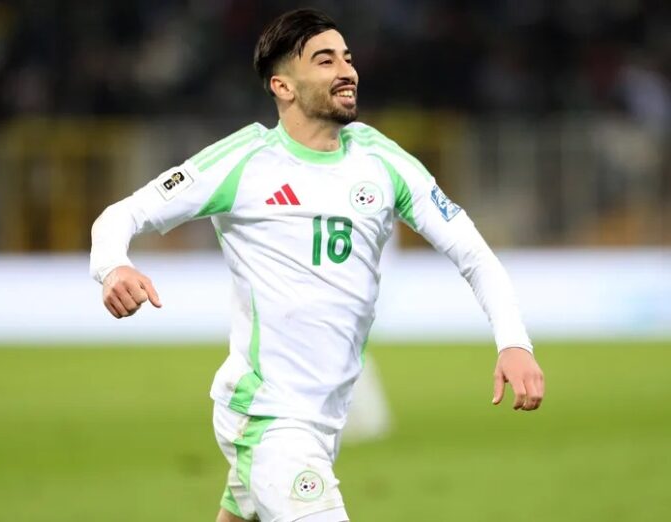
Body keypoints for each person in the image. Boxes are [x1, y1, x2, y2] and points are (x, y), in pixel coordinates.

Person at [89, 8, 544, 522]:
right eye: (325, 61)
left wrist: (514, 342)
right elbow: (121, 215)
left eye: (347, 58)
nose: (346, 71)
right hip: (267, 416)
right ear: (282, 86)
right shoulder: (244, 161)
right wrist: (113, 267)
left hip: (324, 418)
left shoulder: (381, 159)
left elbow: (474, 254)